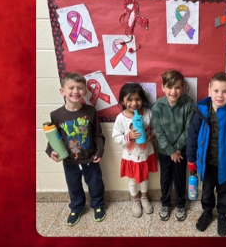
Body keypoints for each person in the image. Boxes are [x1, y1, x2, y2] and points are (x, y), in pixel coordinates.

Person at [187, 72, 226, 236]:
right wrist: (191, 159)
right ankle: (207, 212)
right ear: (209, 90)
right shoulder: (201, 112)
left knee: (224, 193)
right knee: (206, 191)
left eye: (225, 91)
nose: (220, 95)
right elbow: (192, 136)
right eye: (216, 91)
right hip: (205, 164)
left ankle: (222, 215)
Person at [45, 72, 106, 226]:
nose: (76, 91)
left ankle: (98, 205)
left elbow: (98, 134)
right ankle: (77, 207)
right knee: (73, 185)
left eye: (80, 88)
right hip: (69, 161)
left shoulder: (90, 112)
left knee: (95, 183)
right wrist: (50, 151)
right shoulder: (56, 115)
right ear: (62, 91)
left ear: (85, 92)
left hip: (90, 158)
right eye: (71, 88)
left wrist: (99, 151)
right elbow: (54, 137)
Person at [151, 70, 194, 222]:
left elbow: (188, 130)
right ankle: (165, 203)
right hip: (165, 151)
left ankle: (181, 204)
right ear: (163, 87)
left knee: (180, 178)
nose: (173, 91)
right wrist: (170, 151)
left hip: (181, 151)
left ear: (183, 88)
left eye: (177, 87)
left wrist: (177, 149)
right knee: (165, 178)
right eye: (170, 87)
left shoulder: (188, 106)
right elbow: (159, 131)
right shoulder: (157, 107)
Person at [112, 83, 157, 218]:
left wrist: (151, 136)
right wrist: (129, 136)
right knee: (132, 180)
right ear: (122, 101)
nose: (134, 103)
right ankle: (135, 200)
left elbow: (155, 129)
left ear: (142, 100)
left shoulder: (148, 113)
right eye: (129, 100)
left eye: (137, 99)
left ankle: (144, 198)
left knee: (144, 178)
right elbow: (115, 137)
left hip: (145, 154)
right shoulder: (121, 118)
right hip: (130, 156)